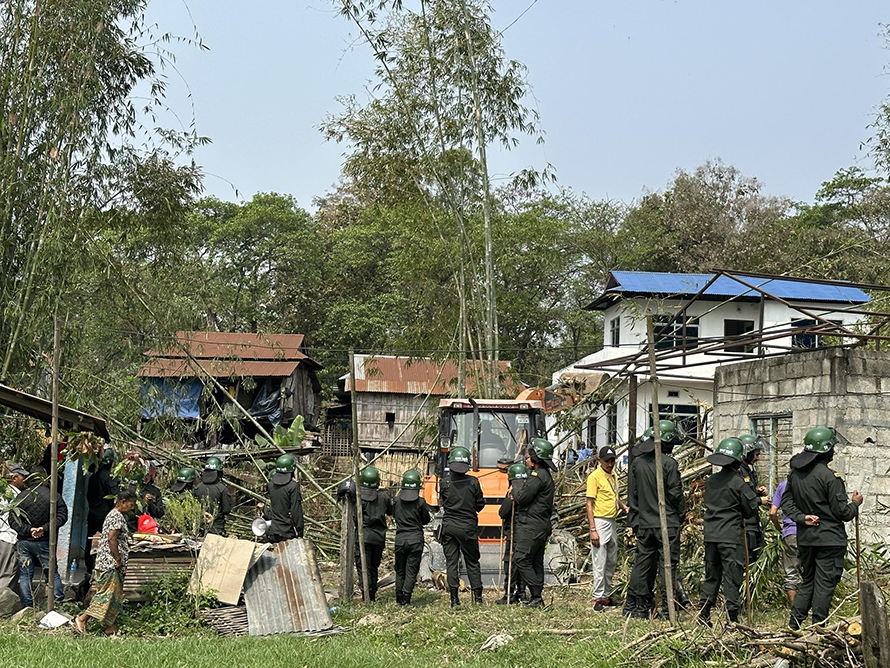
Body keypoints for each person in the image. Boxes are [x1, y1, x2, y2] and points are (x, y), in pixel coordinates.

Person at [781, 427, 862, 630]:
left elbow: (786, 503)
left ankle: (794, 625)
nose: (833, 451)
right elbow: (842, 513)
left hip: (806, 538)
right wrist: (855, 503)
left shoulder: (795, 475)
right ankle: (819, 628)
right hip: (830, 540)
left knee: (808, 582)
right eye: (832, 447)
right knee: (824, 585)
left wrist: (801, 518)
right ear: (826, 450)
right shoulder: (830, 476)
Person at [624, 421, 686, 619]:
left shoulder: (637, 464)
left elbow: (632, 496)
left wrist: (635, 521)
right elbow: (676, 495)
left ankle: (638, 607)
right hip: (666, 524)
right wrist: (681, 515)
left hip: (645, 524)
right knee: (668, 566)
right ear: (665, 442)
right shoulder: (669, 464)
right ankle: (668, 610)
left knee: (642, 564)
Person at [698, 438, 760, 626]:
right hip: (730, 536)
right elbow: (751, 509)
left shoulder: (711, 481)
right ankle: (732, 618)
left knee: (712, 575)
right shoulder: (738, 482)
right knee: (732, 577)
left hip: (711, 535)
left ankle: (704, 614)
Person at [74, 489, 137, 636]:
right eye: (131, 504)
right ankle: (82, 619)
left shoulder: (115, 515)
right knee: (106, 596)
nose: (132, 507)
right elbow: (111, 539)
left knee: (114, 596)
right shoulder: (116, 516)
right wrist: (117, 559)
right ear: (122, 502)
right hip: (110, 564)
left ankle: (110, 627)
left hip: (108, 563)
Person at [9, 466, 68, 607]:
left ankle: (28, 605)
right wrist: (44, 528)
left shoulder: (21, 497)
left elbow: (12, 519)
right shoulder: (53, 495)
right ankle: (58, 603)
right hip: (45, 542)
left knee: (25, 575)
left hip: (24, 542)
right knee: (52, 573)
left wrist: (29, 530)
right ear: (45, 478)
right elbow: (62, 516)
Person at [512, 438, 557, 608]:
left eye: (529, 456)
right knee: (536, 561)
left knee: (521, 559)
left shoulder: (537, 477)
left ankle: (536, 594)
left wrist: (516, 489)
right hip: (542, 525)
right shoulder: (546, 476)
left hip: (532, 525)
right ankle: (537, 597)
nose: (527, 459)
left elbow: (523, 498)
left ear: (537, 458)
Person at [440, 446, 484, 607]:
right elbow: (480, 505)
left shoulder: (443, 482)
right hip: (468, 527)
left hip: (449, 527)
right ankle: (478, 599)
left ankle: (454, 599)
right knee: (472, 561)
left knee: (451, 563)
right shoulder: (473, 482)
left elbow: (442, 503)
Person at [586, 446, 628, 611]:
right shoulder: (594, 477)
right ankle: (597, 598)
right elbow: (589, 504)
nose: (610, 464)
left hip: (612, 520)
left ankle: (606, 596)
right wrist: (593, 529)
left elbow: (614, 497)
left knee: (611, 560)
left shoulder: (614, 476)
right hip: (600, 520)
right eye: (607, 461)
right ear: (599, 461)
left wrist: (624, 507)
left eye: (612, 460)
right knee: (600, 560)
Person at [391, 469, 430, 606]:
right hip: (415, 540)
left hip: (400, 539)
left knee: (400, 570)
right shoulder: (420, 502)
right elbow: (426, 520)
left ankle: (398, 596)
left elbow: (394, 515)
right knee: (411, 570)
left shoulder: (396, 501)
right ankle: (406, 598)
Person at [354, 466, 391, 602]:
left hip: (363, 536)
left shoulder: (359, 497)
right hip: (378, 537)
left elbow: (354, 518)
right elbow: (390, 511)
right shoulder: (384, 497)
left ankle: (366, 595)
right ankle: (372, 595)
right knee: (374, 566)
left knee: (363, 567)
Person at [496, 462, 528, 605]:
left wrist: (508, 499)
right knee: (523, 563)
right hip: (526, 534)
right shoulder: (529, 494)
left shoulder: (511, 494)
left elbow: (502, 513)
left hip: (514, 534)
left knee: (511, 564)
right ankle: (521, 592)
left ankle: (509, 593)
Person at [85, 448, 119, 576]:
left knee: (88, 541)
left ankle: (89, 567)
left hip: (93, 513)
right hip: (104, 514)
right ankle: (106, 566)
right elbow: (114, 496)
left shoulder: (93, 477)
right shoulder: (108, 477)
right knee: (109, 540)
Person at [737, 434, 770, 562]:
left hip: (754, 524)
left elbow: (747, 492)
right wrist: (759, 501)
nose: (758, 458)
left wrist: (757, 492)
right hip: (746, 525)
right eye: (756, 455)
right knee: (747, 559)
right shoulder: (739, 471)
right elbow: (741, 499)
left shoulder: (749, 470)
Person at [260, 454, 304, 542]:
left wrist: (264, 509)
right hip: (287, 533)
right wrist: (300, 532)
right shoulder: (293, 487)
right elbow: (296, 512)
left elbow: (274, 510)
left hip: (272, 531)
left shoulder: (271, 485)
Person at [770, 475, 799, 605]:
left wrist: (779, 528)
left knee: (791, 572)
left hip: (790, 533)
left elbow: (772, 512)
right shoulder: (809, 483)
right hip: (809, 532)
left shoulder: (783, 486)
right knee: (811, 571)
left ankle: (794, 608)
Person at [0, 464, 26, 597]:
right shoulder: (18, 496)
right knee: (7, 574)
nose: (24, 479)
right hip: (7, 538)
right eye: (22, 476)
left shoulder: (2, 491)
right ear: (14, 478)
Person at [193, 457, 232, 536]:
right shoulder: (222, 488)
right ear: (219, 473)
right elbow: (226, 510)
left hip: (200, 528)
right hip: (216, 529)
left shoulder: (197, 488)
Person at [126, 460, 165, 534]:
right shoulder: (129, 489)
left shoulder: (155, 491)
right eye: (146, 474)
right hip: (131, 529)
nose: (147, 477)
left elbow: (160, 513)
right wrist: (142, 502)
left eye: (150, 475)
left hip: (148, 529)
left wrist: (151, 504)